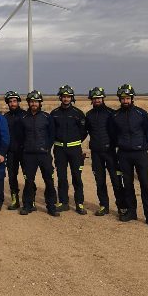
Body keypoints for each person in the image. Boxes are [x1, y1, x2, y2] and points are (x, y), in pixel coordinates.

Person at [111, 84, 148, 227]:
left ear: (132, 98)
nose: (125, 101)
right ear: (120, 99)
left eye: (128, 98)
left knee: (146, 185)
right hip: (124, 155)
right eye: (123, 99)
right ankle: (131, 212)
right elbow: (113, 135)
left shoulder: (141, 113)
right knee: (127, 185)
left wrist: (143, 147)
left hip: (141, 155)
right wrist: (121, 145)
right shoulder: (115, 116)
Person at [85, 87, 126, 216]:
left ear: (103, 99)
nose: (97, 100)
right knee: (100, 181)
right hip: (96, 153)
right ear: (91, 100)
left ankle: (121, 207)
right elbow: (85, 131)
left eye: (99, 98)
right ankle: (104, 206)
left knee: (116, 180)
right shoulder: (89, 115)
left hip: (110, 152)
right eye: (94, 98)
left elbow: (119, 132)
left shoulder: (111, 113)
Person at [18, 90, 59, 216]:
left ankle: (51, 206)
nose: (34, 103)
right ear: (29, 103)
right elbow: (20, 136)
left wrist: (47, 147)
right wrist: (24, 148)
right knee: (29, 182)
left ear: (40, 102)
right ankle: (28, 205)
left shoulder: (47, 117)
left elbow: (52, 135)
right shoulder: (24, 118)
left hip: (44, 155)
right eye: (31, 101)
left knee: (49, 181)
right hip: (29, 155)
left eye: (36, 101)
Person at [50, 84, 88, 214]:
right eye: (64, 96)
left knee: (77, 177)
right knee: (62, 177)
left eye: (68, 97)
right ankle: (63, 202)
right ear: (60, 98)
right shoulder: (54, 114)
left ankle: (79, 203)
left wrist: (75, 142)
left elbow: (84, 132)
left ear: (72, 98)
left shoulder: (78, 113)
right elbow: (51, 132)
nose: (66, 99)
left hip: (75, 150)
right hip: (59, 150)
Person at [3, 90, 34, 210]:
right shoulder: (5, 117)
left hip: (25, 151)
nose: (12, 103)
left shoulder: (26, 115)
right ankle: (15, 200)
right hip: (11, 152)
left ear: (18, 101)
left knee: (28, 176)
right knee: (12, 176)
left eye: (14, 101)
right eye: (10, 102)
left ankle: (31, 200)